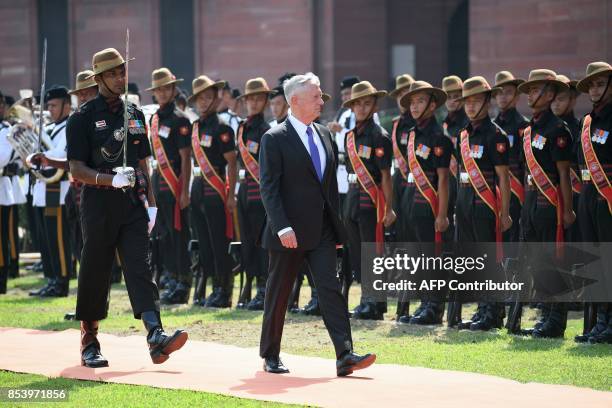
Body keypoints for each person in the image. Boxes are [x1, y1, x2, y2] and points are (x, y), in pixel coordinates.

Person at [67, 48, 187, 367]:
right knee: (96, 270)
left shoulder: (135, 114)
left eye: (122, 72)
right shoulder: (82, 118)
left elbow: (143, 162)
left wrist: (151, 204)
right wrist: (108, 180)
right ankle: (89, 341)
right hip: (97, 204)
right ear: (99, 79)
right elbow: (76, 169)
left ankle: (155, 336)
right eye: (114, 73)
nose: (121, 78)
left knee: (140, 267)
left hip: (132, 205)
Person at [259, 72, 376, 376]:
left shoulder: (324, 133)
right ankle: (270, 355)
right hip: (289, 232)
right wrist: (282, 227)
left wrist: (335, 229)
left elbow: (327, 187)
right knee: (279, 293)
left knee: (330, 289)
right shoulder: (274, 138)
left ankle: (345, 354)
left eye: (321, 94)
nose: (321, 101)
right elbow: (268, 188)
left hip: (322, 231)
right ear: (294, 101)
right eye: (315, 96)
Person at [518, 69, 575, 338]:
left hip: (550, 203)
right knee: (537, 262)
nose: (530, 94)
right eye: (528, 90)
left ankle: (556, 320)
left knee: (554, 261)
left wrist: (566, 209)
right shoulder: (529, 130)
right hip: (532, 202)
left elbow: (564, 173)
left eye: (535, 89)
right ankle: (545, 315)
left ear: (550, 94)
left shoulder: (557, 129)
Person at [455, 76, 512, 331]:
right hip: (466, 200)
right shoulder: (463, 135)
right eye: (466, 101)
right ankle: (482, 307)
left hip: (486, 204)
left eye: (476, 100)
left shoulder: (495, 135)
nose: (469, 106)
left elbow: (503, 176)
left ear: (487, 102)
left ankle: (494, 310)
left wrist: (506, 211)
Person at [397, 80, 451, 325]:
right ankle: (424, 301)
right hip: (411, 201)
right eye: (412, 102)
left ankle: (435, 306)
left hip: (429, 204)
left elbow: (442, 179)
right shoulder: (411, 134)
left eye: (420, 101)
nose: (415, 106)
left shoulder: (439, 137)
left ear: (432, 105)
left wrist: (441, 213)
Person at [342, 81, 396, 320]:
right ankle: (366, 297)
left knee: (372, 251)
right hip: (353, 195)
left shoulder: (379, 136)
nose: (362, 108)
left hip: (372, 199)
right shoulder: (350, 137)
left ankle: (375, 303)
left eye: (367, 103)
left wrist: (389, 208)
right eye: (357, 104)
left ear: (374, 105)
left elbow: (385, 175)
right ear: (352, 107)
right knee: (356, 250)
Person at [187, 75, 238, 308]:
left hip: (216, 186)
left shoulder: (223, 128)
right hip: (198, 186)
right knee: (204, 242)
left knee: (219, 242)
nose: (203, 102)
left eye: (208, 97)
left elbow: (232, 163)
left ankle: (224, 290)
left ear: (216, 100)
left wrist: (230, 194)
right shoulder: (195, 127)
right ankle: (210, 288)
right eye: (199, 99)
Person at [146, 68, 192, 304]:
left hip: (176, 185)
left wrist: (184, 191)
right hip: (159, 183)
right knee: (163, 235)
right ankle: (171, 278)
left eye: (166, 88)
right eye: (158, 89)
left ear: (174, 90)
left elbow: (186, 157)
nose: (162, 93)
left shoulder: (180, 119)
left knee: (179, 236)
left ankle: (183, 283)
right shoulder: (154, 119)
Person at [574, 61, 612, 344]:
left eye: (601, 83)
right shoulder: (586, 122)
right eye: (592, 85)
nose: (595, 89)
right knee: (595, 260)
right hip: (588, 196)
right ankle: (602, 319)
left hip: (608, 197)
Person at [28, 86, 73, 297]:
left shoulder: (70, 126)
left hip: (60, 189)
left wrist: (41, 154)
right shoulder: (49, 128)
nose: (50, 110)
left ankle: (61, 281)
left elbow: (60, 154)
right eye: (48, 106)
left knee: (58, 239)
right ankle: (51, 278)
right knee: (46, 239)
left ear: (66, 104)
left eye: (54, 105)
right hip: (44, 189)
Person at [234, 78, 272, 310]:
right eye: (251, 98)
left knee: (261, 246)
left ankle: (263, 289)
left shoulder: (267, 131)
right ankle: (249, 288)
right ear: (245, 101)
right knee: (247, 243)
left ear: (266, 101)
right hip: (244, 193)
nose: (254, 102)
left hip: (261, 196)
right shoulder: (242, 129)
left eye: (259, 98)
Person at [492, 71, 529, 245]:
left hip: (516, 192)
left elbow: (527, 164)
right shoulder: (490, 128)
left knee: (514, 238)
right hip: (492, 190)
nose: (502, 96)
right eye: (499, 92)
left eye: (507, 92)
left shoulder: (524, 126)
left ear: (516, 96)